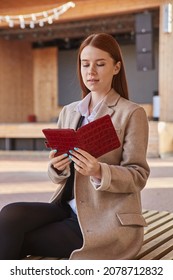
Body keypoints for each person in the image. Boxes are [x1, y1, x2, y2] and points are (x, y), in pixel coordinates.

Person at [0, 33, 150, 260]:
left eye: (100, 64)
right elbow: (58, 178)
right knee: (10, 215)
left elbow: (138, 175)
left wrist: (99, 171)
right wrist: (57, 167)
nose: (91, 71)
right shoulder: (69, 111)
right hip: (67, 207)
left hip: (105, 218)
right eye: (85, 64)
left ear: (116, 67)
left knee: (18, 238)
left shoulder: (131, 113)